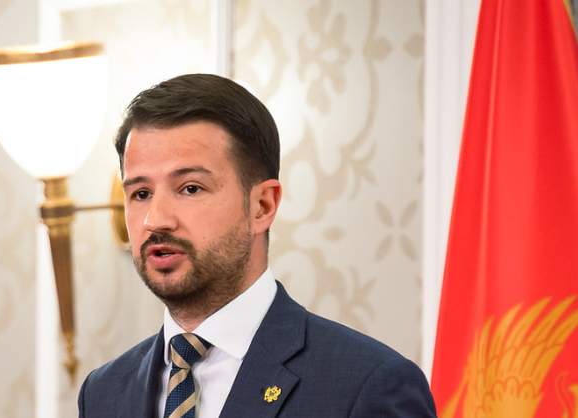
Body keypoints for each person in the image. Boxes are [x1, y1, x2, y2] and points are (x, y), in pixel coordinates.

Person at [78, 73, 437, 418]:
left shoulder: (369, 384)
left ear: (262, 206)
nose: (155, 220)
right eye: (141, 193)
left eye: (190, 188)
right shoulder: (102, 392)